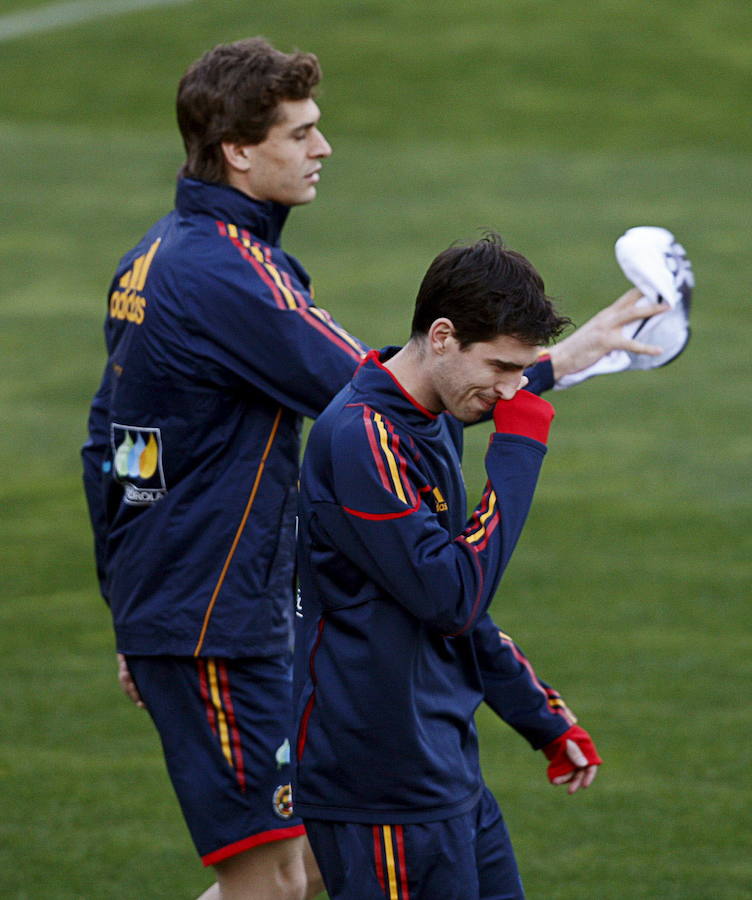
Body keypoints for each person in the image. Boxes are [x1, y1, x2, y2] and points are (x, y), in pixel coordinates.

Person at [81, 36, 668, 900]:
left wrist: (133, 604)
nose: (322, 149)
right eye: (300, 133)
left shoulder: (155, 257)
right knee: (281, 876)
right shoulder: (230, 275)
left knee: (315, 852)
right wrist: (552, 368)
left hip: (192, 605)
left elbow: (117, 447)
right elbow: (378, 393)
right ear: (239, 152)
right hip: (217, 616)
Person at [293, 234, 603, 900]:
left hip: (441, 767)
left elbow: (455, 608)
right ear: (441, 337)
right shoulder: (360, 439)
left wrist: (539, 716)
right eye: (501, 367)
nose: (513, 393)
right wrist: (518, 455)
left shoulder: (428, 421)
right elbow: (452, 596)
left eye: (524, 372)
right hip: (378, 779)